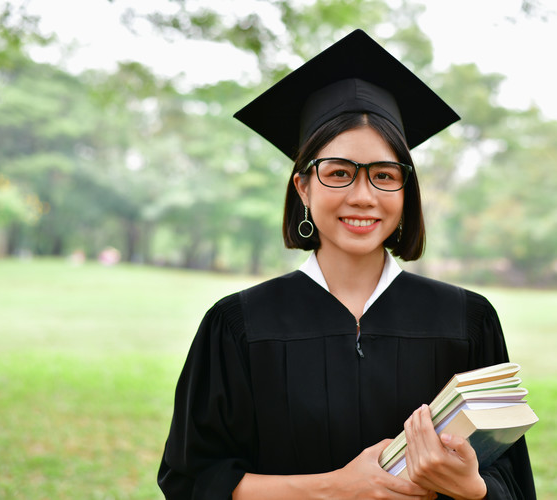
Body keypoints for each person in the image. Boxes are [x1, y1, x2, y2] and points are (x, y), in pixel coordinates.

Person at [158, 29, 536, 500]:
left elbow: (512, 484)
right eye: (338, 172)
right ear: (302, 187)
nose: (363, 196)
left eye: (383, 175)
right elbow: (193, 481)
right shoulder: (238, 325)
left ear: (405, 189)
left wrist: (474, 488)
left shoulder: (467, 321)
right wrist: (334, 488)